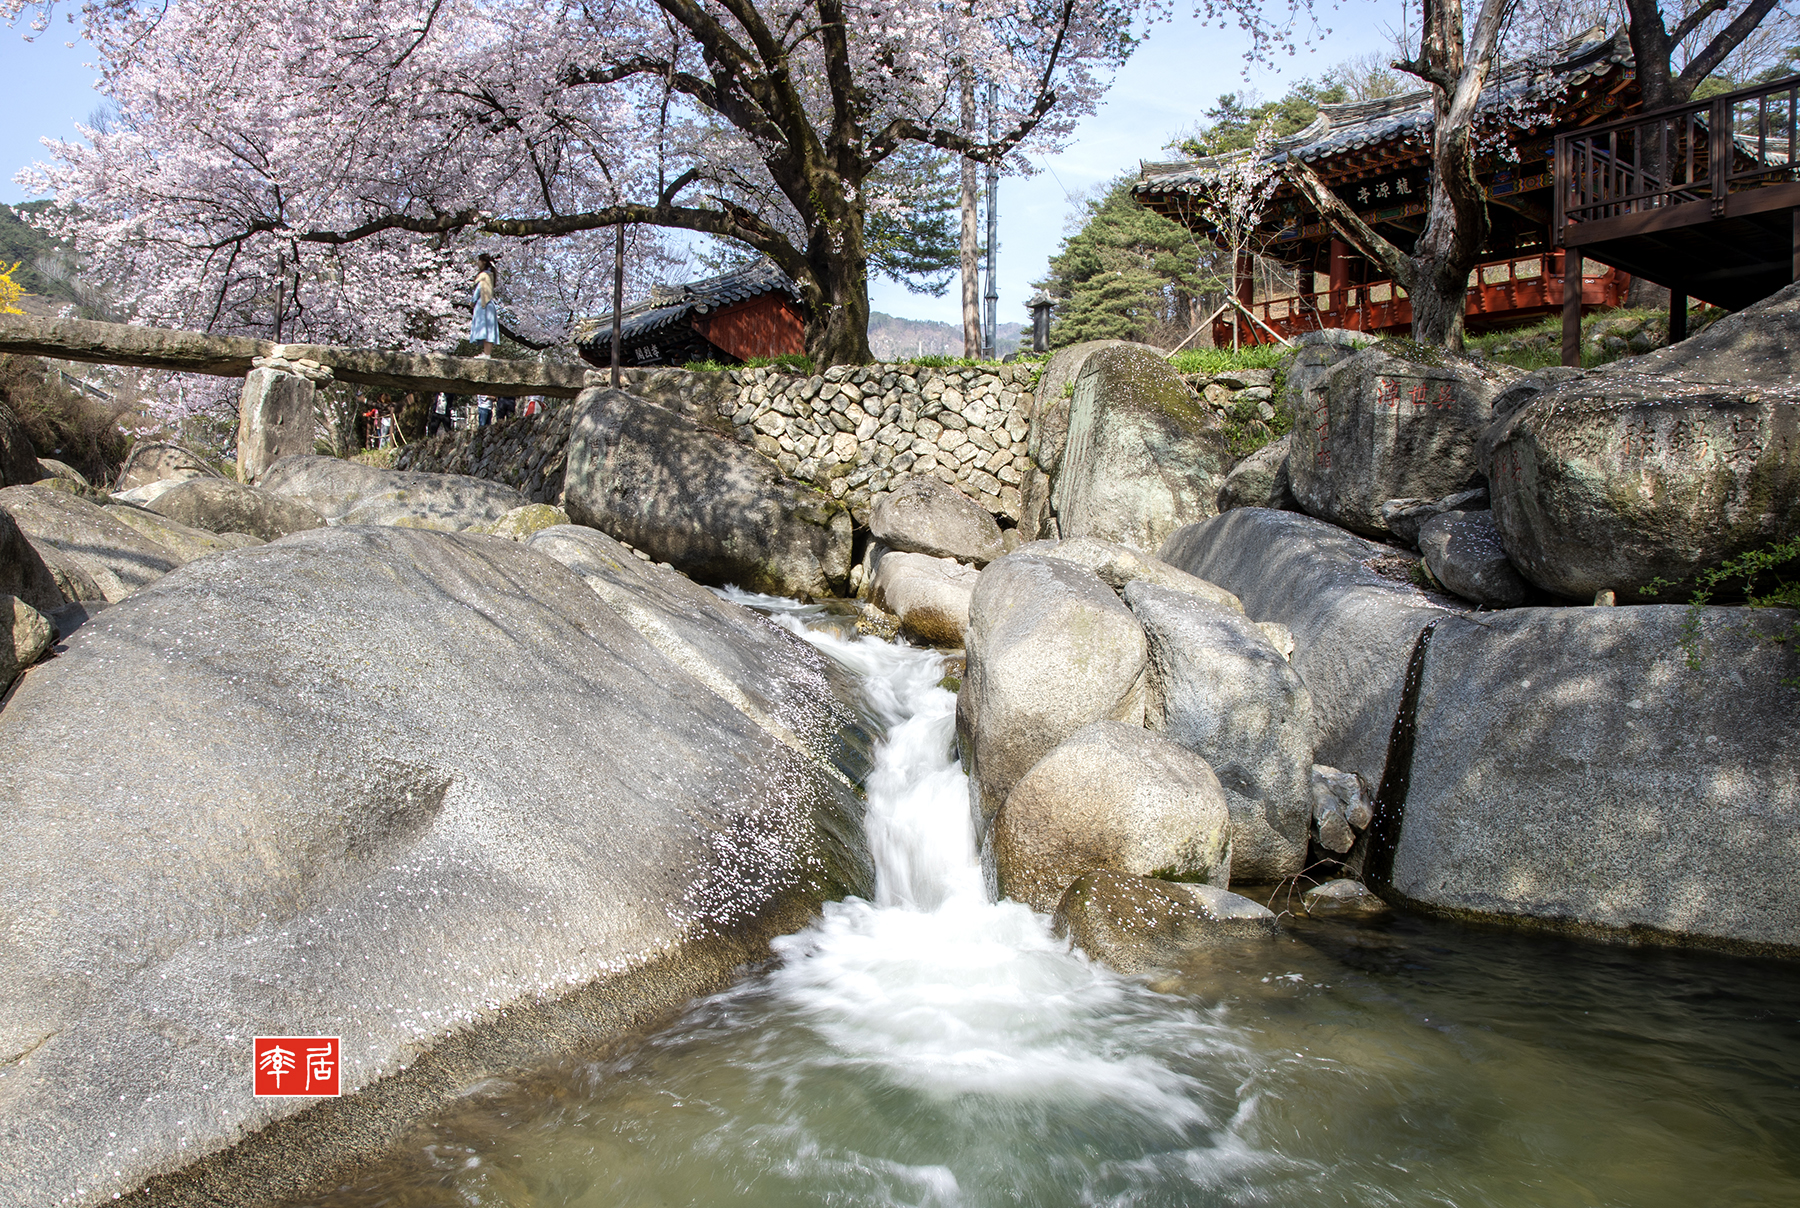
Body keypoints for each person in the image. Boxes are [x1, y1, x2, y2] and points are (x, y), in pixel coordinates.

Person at [470, 253, 500, 357]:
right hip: (489, 304)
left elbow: (479, 289)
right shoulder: (491, 275)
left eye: (479, 261)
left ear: (483, 262)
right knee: (489, 328)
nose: (477, 263)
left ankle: (486, 354)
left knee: (485, 327)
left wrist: (472, 301)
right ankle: (487, 353)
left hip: (483, 304)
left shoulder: (484, 275)